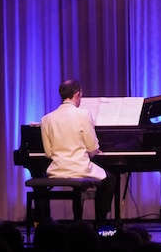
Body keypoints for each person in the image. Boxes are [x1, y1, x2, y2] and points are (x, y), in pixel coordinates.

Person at [40, 79, 117, 223]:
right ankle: (101, 224)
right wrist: (91, 152)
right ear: (77, 94)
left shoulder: (46, 119)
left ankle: (44, 223)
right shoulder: (83, 115)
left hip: (57, 170)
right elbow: (93, 147)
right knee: (110, 179)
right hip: (79, 168)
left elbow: (49, 153)